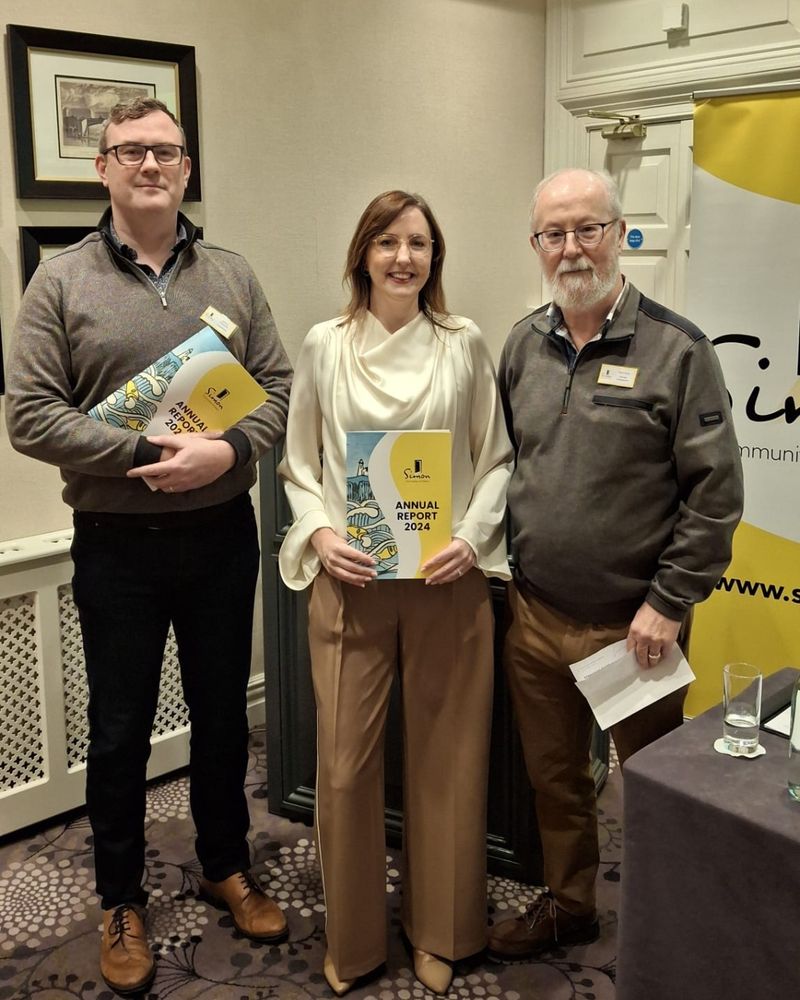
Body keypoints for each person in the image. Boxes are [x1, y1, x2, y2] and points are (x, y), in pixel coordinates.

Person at [5, 98, 293, 996]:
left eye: (166, 150)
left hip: (219, 534)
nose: (150, 165)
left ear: (187, 166)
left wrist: (230, 448)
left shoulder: (234, 277)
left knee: (218, 717)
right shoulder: (59, 281)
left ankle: (223, 863)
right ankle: (121, 898)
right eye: (130, 151)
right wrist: (140, 455)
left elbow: (278, 388)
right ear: (104, 169)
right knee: (121, 728)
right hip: (116, 544)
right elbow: (29, 415)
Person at [489, 168, 743, 959]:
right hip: (533, 618)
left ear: (620, 233)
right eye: (553, 233)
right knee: (555, 781)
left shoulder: (679, 350)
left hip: (636, 629)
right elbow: (507, 464)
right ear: (536, 245)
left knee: (652, 788)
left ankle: (665, 927)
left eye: (587, 228)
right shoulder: (522, 344)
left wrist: (668, 603)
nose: (571, 248)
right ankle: (572, 904)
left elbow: (715, 495)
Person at [278, 191, 513, 995]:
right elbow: (298, 466)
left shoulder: (462, 343)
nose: (403, 257)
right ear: (362, 255)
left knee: (448, 762)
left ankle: (440, 933)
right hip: (354, 582)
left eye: (418, 243)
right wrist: (319, 533)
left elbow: (499, 460)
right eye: (387, 242)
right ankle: (354, 942)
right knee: (343, 770)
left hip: (447, 580)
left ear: (434, 258)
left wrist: (472, 540)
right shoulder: (324, 344)